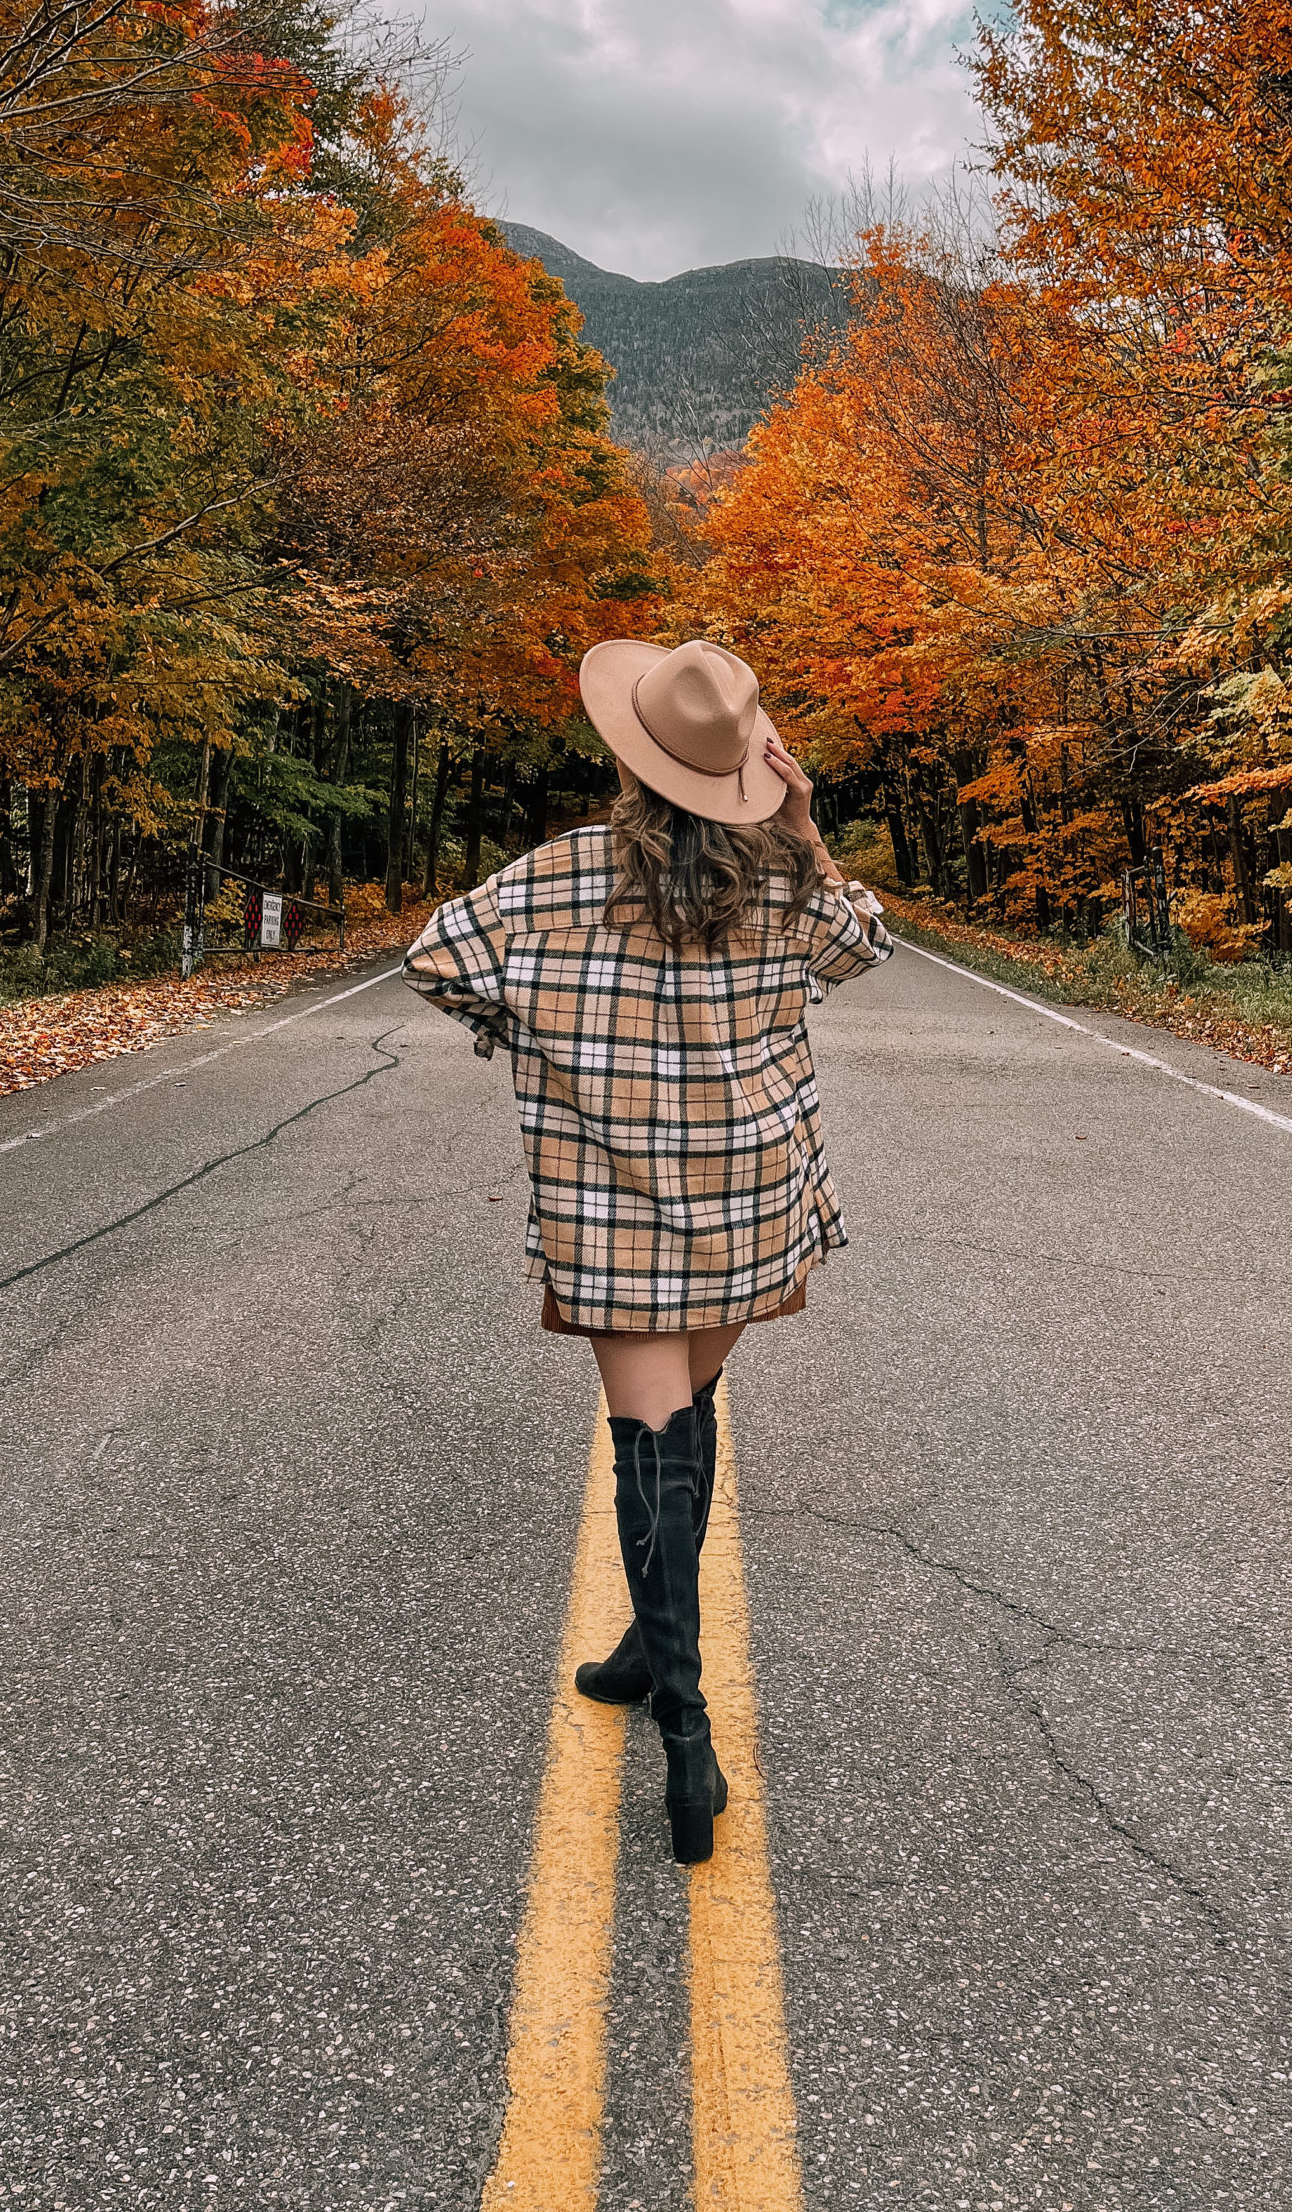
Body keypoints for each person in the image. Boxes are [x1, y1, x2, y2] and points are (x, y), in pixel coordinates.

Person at [402, 636, 893, 1864]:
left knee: (654, 1439)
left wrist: (529, 1033)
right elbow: (864, 943)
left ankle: (686, 1733)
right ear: (750, 770)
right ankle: (651, 1650)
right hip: (747, 1193)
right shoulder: (787, 884)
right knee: (686, 1421)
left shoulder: (554, 877)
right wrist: (811, 823)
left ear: (632, 760)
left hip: (615, 1202)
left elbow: (435, 961)